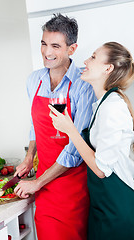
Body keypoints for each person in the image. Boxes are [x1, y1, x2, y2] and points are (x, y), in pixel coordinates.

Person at [14, 13, 96, 240]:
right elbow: (35, 125)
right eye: (43, 43)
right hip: (43, 186)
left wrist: (37, 183)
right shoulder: (35, 80)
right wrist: (30, 156)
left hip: (72, 187)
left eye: (55, 46)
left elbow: (76, 148)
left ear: (72, 48)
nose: (47, 52)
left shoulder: (83, 84)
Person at [49, 41, 134, 240]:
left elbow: (101, 169)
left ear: (108, 68)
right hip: (103, 208)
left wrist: (71, 131)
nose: (86, 61)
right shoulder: (102, 104)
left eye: (93, 57)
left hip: (117, 210)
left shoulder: (112, 107)